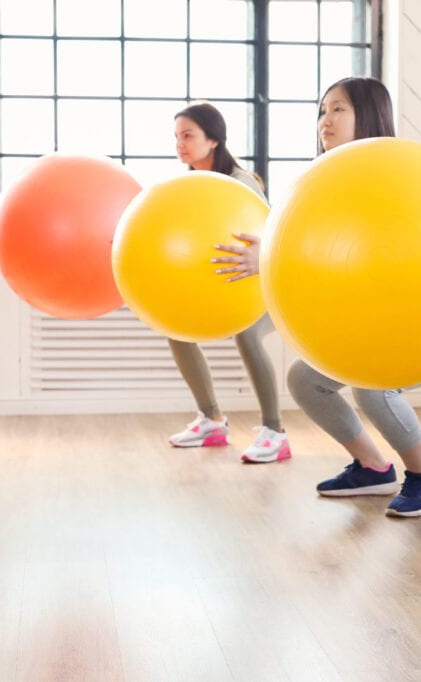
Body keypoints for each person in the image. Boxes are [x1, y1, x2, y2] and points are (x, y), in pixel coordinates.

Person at [213, 77, 421, 518]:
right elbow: (316, 245)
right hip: (367, 322)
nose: (326, 120)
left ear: (371, 114)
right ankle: (373, 467)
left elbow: (385, 248)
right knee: (306, 380)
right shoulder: (324, 182)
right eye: (323, 110)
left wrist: (266, 255)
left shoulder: (395, 172)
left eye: (338, 109)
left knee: (371, 384)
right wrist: (265, 254)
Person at [167, 102, 291, 464]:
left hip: (263, 283)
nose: (180, 143)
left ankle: (276, 432)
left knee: (247, 334)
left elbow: (269, 236)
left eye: (188, 135)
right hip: (223, 282)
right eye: (176, 137)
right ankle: (212, 421)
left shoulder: (241, 182)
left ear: (214, 139)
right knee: (175, 328)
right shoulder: (187, 186)